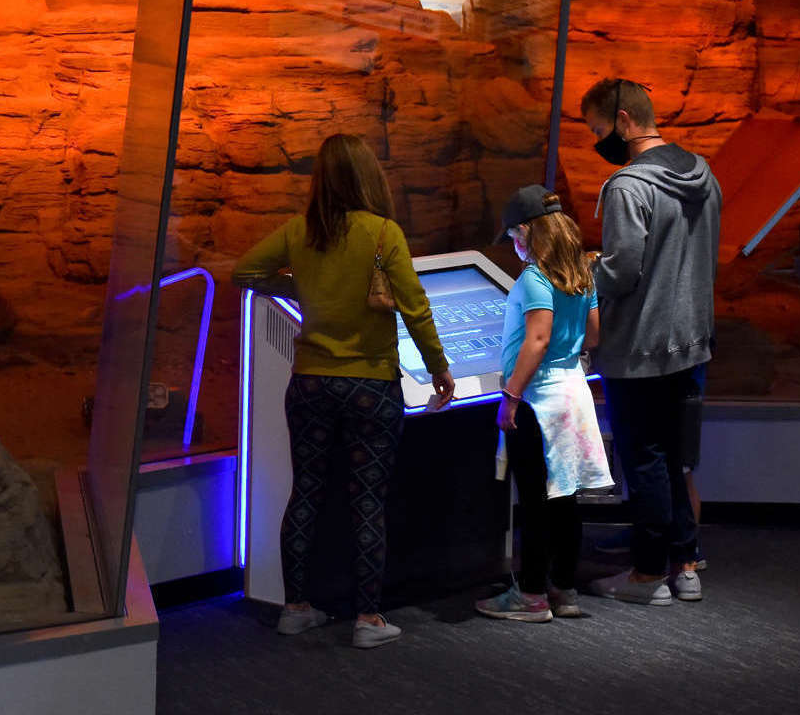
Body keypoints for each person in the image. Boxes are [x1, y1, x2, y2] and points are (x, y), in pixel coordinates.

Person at [232, 134, 457, 649]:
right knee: (367, 499)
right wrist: (438, 367)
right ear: (368, 177)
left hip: (309, 380)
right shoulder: (383, 233)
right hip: (371, 383)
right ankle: (369, 619)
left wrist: (302, 288)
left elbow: (244, 271)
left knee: (306, 490)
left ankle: (294, 608)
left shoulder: (298, 232)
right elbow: (415, 306)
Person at [579, 78, 721, 606]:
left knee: (645, 460)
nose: (599, 141)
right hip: (693, 342)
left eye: (598, 129)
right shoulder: (705, 176)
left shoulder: (626, 187)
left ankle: (645, 575)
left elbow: (622, 271)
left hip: (639, 347)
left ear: (622, 120)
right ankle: (685, 566)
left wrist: (582, 277)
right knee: (675, 461)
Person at [474, 186, 613, 624]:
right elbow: (592, 336)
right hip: (573, 392)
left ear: (526, 232)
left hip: (538, 398)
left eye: (514, 236)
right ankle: (564, 589)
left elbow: (538, 338)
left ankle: (531, 595)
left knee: (534, 500)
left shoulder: (535, 278)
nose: (514, 246)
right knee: (566, 497)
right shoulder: (581, 274)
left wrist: (511, 396)